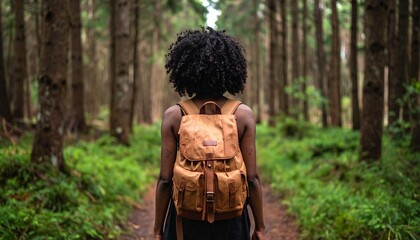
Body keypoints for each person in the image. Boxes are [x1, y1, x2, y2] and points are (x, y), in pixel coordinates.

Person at [154, 27, 265, 240]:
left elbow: (165, 180)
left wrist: (158, 229)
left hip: (184, 222)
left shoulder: (174, 115)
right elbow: (252, 178)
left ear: (184, 69)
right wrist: (259, 226)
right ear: (232, 69)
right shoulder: (242, 115)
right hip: (232, 219)